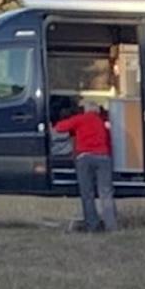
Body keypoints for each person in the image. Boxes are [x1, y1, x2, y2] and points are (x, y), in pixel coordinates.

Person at [55, 92, 118, 233]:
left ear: (86, 109)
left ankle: (92, 225)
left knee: (87, 193)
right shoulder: (102, 122)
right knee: (105, 192)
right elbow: (110, 141)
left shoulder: (81, 119)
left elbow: (60, 127)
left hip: (85, 158)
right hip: (103, 157)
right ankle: (111, 226)